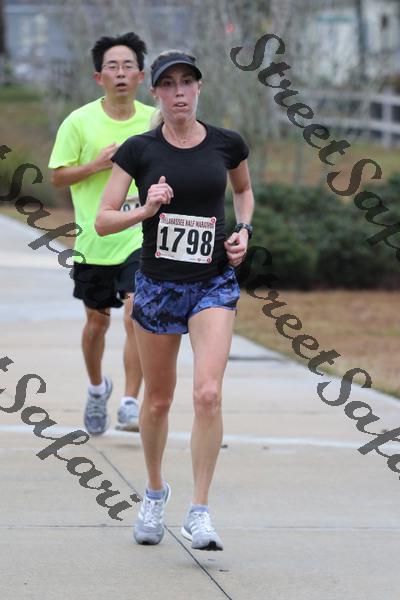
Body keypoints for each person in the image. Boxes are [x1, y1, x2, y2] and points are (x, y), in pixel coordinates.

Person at [95, 50, 254, 551]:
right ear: (156, 93)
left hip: (213, 283)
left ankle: (200, 511)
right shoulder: (138, 150)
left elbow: (243, 192)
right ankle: (154, 491)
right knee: (158, 401)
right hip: (158, 287)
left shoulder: (227, 143)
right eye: (169, 84)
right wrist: (145, 209)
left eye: (187, 82)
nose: (179, 92)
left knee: (207, 394)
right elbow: (103, 220)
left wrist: (244, 231)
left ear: (199, 88)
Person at [49, 32, 154, 435]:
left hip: (140, 236)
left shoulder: (155, 121)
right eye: (113, 66)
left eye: (129, 66)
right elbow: (58, 177)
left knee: (136, 313)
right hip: (95, 239)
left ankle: (130, 403)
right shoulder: (79, 121)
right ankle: (97, 389)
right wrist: (95, 165)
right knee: (97, 324)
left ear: (141, 76)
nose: (121, 73)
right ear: (99, 77)